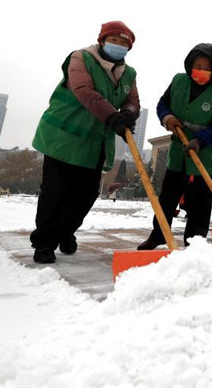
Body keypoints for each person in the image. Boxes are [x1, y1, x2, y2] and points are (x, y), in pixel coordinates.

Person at [30, 21, 140, 264]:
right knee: (55, 192)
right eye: (114, 40)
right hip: (63, 137)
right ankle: (44, 242)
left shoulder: (128, 74)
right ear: (102, 40)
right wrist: (113, 117)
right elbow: (84, 91)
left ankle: (64, 231)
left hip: (94, 144)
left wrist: (129, 114)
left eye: (125, 43)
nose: (119, 46)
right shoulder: (81, 58)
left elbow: (132, 100)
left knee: (86, 195)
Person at [137, 43, 212, 248]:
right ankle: (159, 233)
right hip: (179, 149)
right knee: (168, 195)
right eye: (198, 65)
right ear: (190, 65)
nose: (202, 71)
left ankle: (195, 243)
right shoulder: (178, 81)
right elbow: (162, 104)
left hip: (208, 151)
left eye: (207, 67)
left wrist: (200, 140)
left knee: (200, 200)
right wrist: (168, 117)